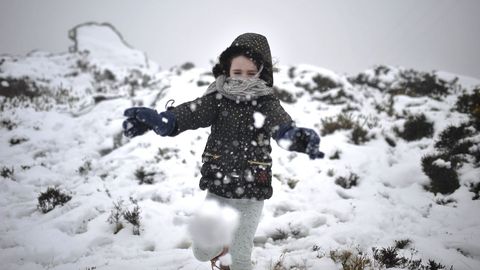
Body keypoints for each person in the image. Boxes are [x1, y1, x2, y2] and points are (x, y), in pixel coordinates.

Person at [122, 33, 324, 270]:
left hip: (252, 190)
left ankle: (233, 254)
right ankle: (221, 250)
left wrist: (295, 137)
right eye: (237, 72)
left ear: (262, 73)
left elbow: (280, 125)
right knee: (201, 252)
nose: (243, 79)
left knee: (240, 258)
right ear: (227, 69)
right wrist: (164, 121)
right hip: (218, 187)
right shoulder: (217, 99)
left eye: (251, 73)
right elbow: (191, 113)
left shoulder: (266, 103)